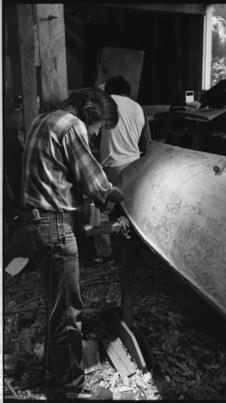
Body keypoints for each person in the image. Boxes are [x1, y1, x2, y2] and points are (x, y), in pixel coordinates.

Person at [21, 87, 125, 400]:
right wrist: (115, 194)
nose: (96, 134)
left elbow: (61, 176)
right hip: (53, 226)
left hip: (36, 224)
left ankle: (58, 375)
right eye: (100, 127)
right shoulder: (72, 125)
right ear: (92, 114)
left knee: (57, 308)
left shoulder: (43, 120)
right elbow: (92, 180)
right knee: (67, 313)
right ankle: (70, 391)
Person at [93, 76, 151, 263]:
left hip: (113, 165)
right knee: (135, 210)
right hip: (135, 165)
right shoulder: (138, 107)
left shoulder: (105, 105)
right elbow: (145, 142)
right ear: (127, 91)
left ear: (108, 92)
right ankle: (140, 252)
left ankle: (105, 253)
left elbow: (94, 134)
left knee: (100, 210)